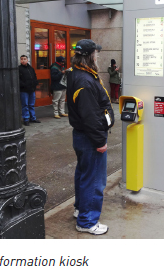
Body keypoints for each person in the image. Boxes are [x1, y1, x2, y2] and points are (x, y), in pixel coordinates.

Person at [66, 39, 115, 236]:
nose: (98, 55)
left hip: (82, 136)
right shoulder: (84, 81)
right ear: (89, 56)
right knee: (94, 180)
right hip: (89, 138)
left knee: (84, 175)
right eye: (96, 53)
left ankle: (80, 210)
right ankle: (87, 221)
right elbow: (91, 116)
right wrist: (100, 141)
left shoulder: (77, 73)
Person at [19, 54, 41, 126]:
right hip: (24, 90)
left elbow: (34, 77)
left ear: (27, 60)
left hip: (31, 89)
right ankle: (26, 119)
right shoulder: (19, 69)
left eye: (24, 59)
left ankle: (33, 118)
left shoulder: (31, 68)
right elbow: (18, 80)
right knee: (25, 105)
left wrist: (35, 84)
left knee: (31, 104)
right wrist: (24, 85)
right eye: (21, 59)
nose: (23, 60)